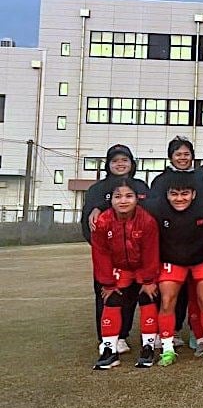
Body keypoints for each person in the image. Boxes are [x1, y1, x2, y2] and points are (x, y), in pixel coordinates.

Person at [82, 144, 151, 355]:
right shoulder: (97, 189)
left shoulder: (140, 187)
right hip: (109, 256)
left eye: (125, 160)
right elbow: (89, 224)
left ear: (132, 163)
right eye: (115, 161)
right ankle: (107, 337)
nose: (120, 164)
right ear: (108, 164)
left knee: (130, 297)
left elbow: (149, 219)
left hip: (135, 255)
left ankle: (122, 334)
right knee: (107, 295)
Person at [147, 171, 203, 366]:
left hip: (201, 260)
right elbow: (128, 205)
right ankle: (167, 349)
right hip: (172, 261)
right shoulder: (156, 208)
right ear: (167, 194)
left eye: (185, 193)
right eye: (174, 194)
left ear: (194, 194)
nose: (179, 199)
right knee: (166, 301)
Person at [90, 178, 159, 370]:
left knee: (148, 297)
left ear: (137, 199)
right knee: (111, 300)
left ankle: (148, 347)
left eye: (129, 196)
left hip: (141, 268)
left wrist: (149, 280)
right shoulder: (103, 221)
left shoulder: (147, 220)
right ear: (110, 199)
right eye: (118, 196)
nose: (123, 201)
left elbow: (151, 252)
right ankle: (110, 350)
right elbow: (100, 253)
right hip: (120, 268)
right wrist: (107, 283)